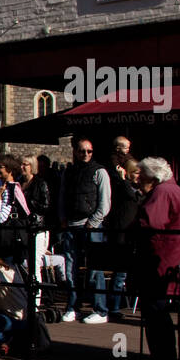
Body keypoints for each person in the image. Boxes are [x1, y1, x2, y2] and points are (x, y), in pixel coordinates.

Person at [133, 157, 180, 360]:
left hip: (160, 261)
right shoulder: (175, 190)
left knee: (156, 314)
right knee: (160, 314)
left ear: (155, 179)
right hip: (172, 259)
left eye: (143, 177)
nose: (139, 181)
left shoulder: (162, 193)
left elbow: (149, 223)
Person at [58, 136, 110, 323]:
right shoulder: (69, 172)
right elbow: (62, 196)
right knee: (70, 267)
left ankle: (100, 309)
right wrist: (63, 217)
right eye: (82, 151)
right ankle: (73, 306)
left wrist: (94, 222)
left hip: (90, 225)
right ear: (75, 151)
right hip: (71, 224)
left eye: (89, 151)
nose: (85, 154)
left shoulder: (99, 172)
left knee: (95, 268)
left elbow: (105, 202)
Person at [105, 155, 141, 319]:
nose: (138, 176)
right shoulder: (122, 187)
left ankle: (116, 305)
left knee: (122, 274)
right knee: (119, 274)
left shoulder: (135, 189)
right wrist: (122, 178)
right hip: (121, 235)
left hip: (130, 235)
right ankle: (113, 308)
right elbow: (130, 196)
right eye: (135, 172)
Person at [19, 155, 51, 306]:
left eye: (25, 164)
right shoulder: (18, 183)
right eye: (21, 164)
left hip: (37, 228)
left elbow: (45, 206)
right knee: (20, 263)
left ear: (32, 166)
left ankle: (35, 303)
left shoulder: (40, 183)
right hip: (21, 228)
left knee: (34, 265)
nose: (22, 167)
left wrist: (27, 202)